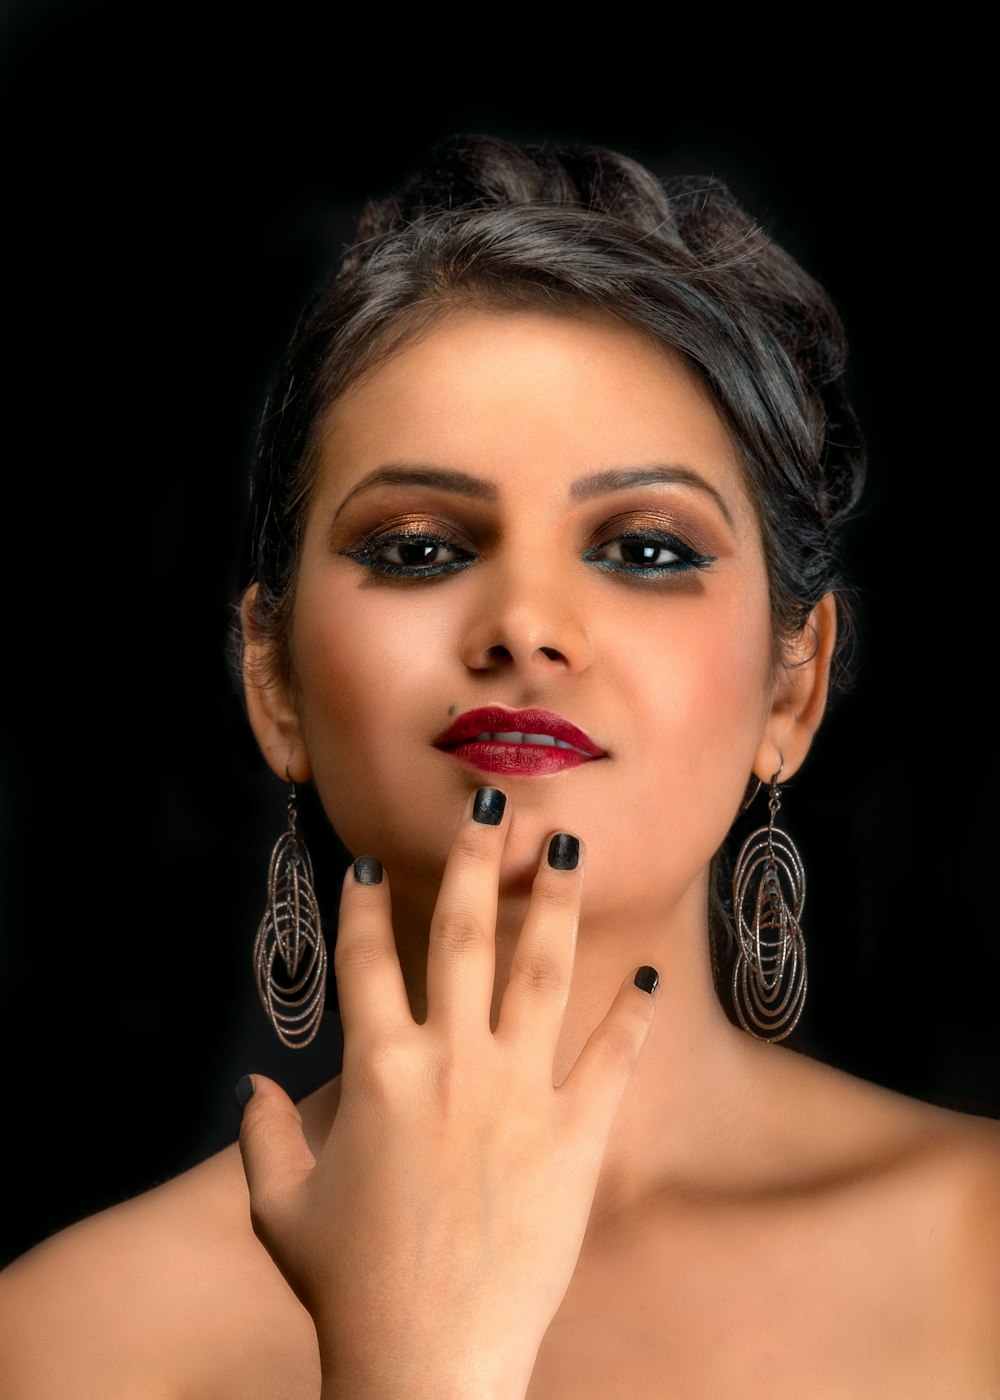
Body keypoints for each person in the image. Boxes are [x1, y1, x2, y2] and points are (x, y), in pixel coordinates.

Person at [2, 132, 997, 1398]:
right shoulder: (57, 1346)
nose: (525, 622)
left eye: (643, 548)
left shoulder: (983, 1251)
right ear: (275, 680)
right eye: (418, 547)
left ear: (789, 684)